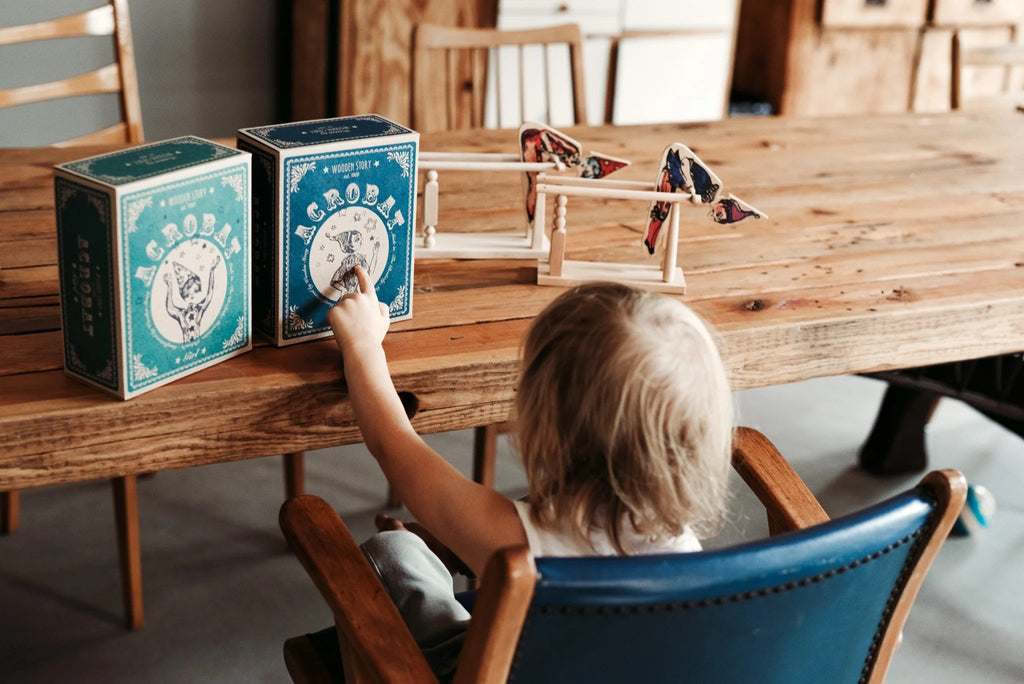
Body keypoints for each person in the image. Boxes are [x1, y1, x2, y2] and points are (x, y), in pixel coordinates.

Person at [324, 267, 734, 679]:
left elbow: (392, 443)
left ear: (547, 429)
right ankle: (450, 549)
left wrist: (361, 344)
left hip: (497, 671)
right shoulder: (686, 554)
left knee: (391, 552)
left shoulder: (513, 541)